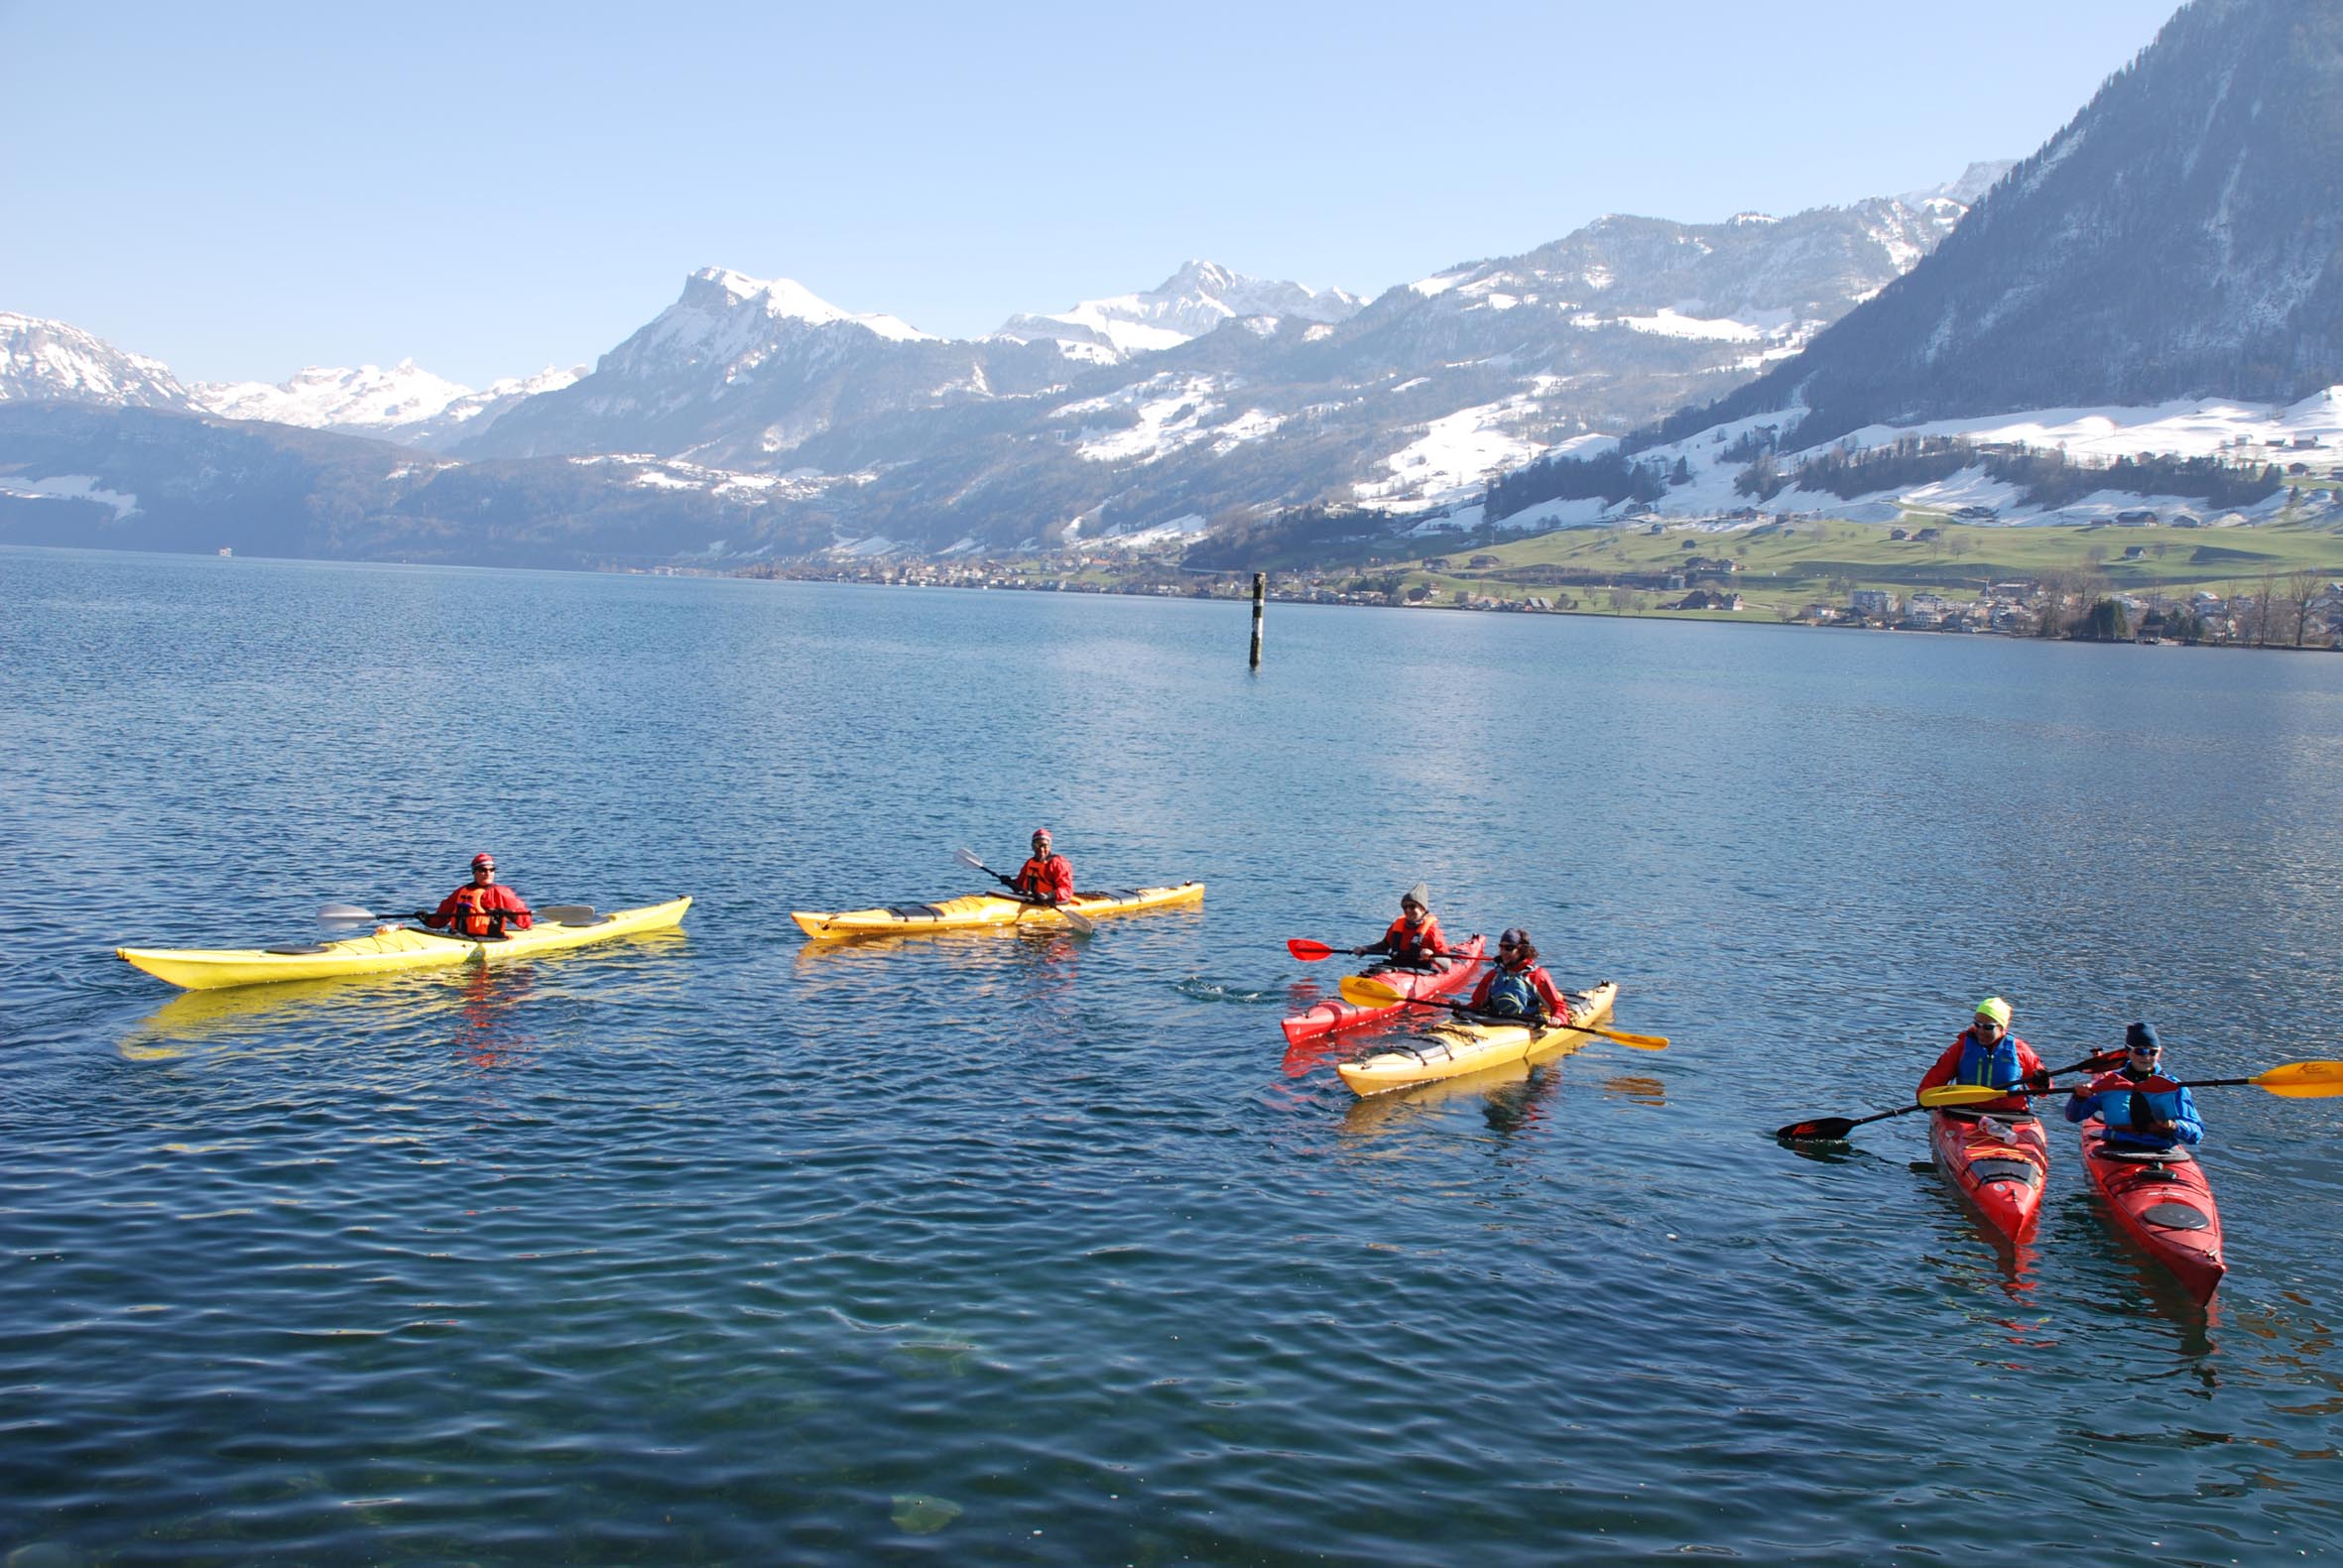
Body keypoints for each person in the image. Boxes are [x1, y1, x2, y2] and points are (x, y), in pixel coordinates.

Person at [2063, 1022, 2203, 1151]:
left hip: (2160, 1150)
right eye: (2140, 1051)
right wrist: (2079, 1098)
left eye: (2152, 1052)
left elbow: (2196, 1134)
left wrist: (2172, 1125)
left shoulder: (2174, 1087)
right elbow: (2073, 1117)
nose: (2146, 1057)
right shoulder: (2109, 1084)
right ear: (2127, 1053)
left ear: (2160, 1053)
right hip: (2115, 1149)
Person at [1915, 996, 2050, 1114]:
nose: (1980, 1031)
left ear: (2002, 1027)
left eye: (1988, 1027)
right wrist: (1924, 1098)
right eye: (1977, 1024)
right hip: (1965, 1112)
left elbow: (2043, 1092)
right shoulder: (1961, 1048)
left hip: (2012, 1114)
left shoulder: (2020, 1050)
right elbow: (1935, 1079)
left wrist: (2043, 1083)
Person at [1468, 927, 1574, 1024]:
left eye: (1509, 948)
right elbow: (1476, 1004)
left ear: (1521, 950)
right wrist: (1461, 1008)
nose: (1503, 952)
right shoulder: (1494, 974)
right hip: (1494, 1020)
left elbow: (1557, 1006)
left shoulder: (1537, 976)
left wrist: (1558, 1018)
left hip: (1524, 1023)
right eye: (1501, 947)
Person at [420, 851, 534, 938]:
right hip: (459, 937)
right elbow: (440, 920)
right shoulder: (461, 891)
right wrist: (426, 919)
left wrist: (510, 914)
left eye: (492, 870)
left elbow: (526, 922)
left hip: (490, 939)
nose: (488, 873)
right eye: (483, 870)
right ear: (474, 872)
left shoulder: (501, 892)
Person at [1362, 884, 1448, 969]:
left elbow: (1447, 963)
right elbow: (1383, 946)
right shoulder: (1396, 927)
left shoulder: (1432, 931)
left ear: (1422, 909)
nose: (1408, 910)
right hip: (1397, 965)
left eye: (1412, 906)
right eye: (1405, 907)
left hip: (1420, 968)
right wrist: (1365, 948)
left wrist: (1431, 955)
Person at [1010, 828, 1075, 905]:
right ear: (1032, 847)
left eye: (1044, 846)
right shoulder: (1030, 862)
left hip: (1050, 902)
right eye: (1037, 845)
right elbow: (1019, 884)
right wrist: (1009, 882)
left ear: (1049, 846)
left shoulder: (1058, 864)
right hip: (1030, 900)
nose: (1041, 849)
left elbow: (1067, 890)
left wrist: (1049, 895)